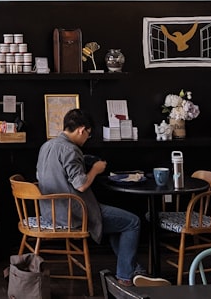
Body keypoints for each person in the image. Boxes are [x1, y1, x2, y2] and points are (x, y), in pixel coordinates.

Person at [36, 108, 166, 287]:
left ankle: (131, 270)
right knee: (133, 222)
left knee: (118, 224)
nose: (87, 139)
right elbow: (81, 184)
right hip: (73, 213)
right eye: (88, 134)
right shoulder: (70, 150)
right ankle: (127, 276)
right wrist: (96, 169)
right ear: (82, 130)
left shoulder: (47, 146)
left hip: (49, 212)